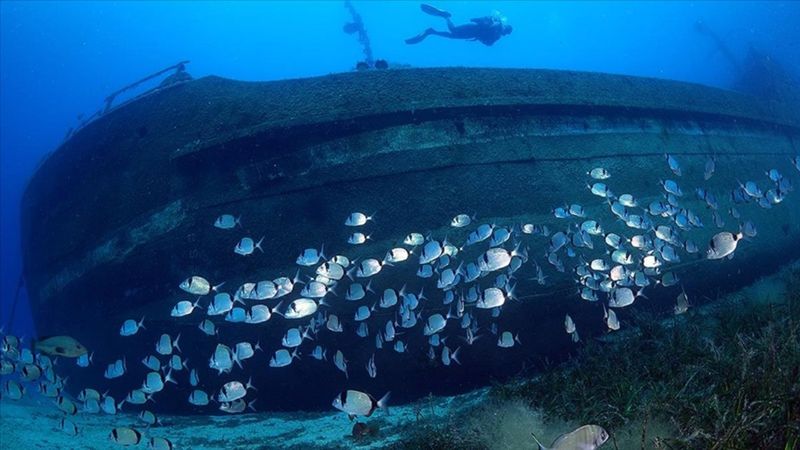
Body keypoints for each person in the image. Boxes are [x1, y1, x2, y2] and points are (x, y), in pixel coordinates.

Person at [405, 4, 512, 46]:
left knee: (453, 34)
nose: (505, 34)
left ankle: (432, 31)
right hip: (474, 29)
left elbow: (488, 43)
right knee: (453, 31)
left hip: (473, 30)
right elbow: (489, 40)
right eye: (506, 32)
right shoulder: (498, 27)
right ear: (506, 30)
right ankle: (445, 17)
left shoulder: (497, 31)